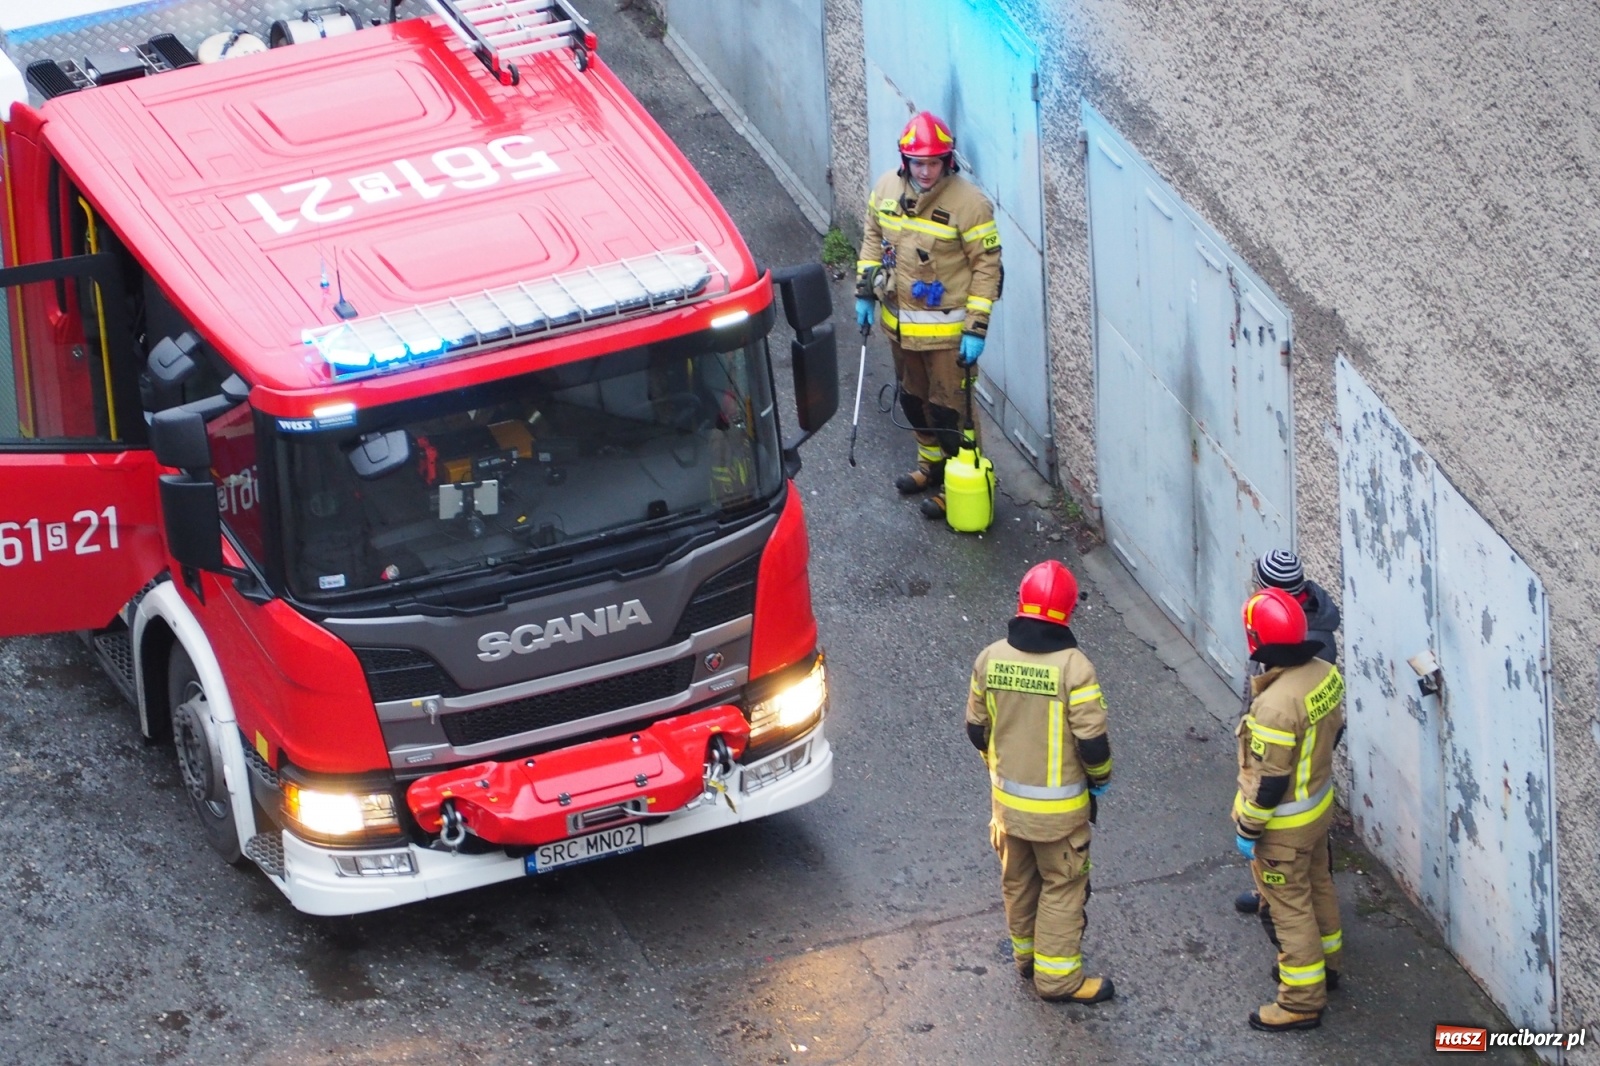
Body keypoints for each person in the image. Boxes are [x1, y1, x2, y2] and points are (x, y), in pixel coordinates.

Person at [965, 560, 1115, 1004]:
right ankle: (1058, 980)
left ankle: (1028, 960)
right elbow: (1093, 745)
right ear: (1068, 612)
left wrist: (1000, 768)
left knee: (1019, 883)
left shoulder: (990, 658)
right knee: (1063, 889)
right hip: (1060, 819)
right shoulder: (1074, 667)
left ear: (1021, 603)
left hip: (1007, 809)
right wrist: (1100, 781)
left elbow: (976, 730)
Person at [856, 111, 1002, 520]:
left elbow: (987, 269)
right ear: (906, 161)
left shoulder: (970, 205)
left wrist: (976, 328)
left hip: (947, 338)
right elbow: (872, 240)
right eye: (918, 162)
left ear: (947, 161)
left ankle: (962, 486)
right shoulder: (886, 188)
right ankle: (931, 468)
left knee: (950, 413)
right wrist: (864, 293)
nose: (925, 170)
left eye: (933, 162)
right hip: (899, 328)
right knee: (913, 402)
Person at [1233, 587, 1346, 1032]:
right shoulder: (1323, 672)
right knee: (1319, 885)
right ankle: (1328, 967)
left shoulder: (1275, 705)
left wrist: (1248, 826)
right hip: (1316, 810)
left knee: (1288, 907)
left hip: (1283, 827)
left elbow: (1270, 781)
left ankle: (1301, 1001)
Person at [1235, 548, 1342, 915]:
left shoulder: (1309, 644)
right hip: (1285, 752)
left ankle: (1275, 895)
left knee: (1295, 869)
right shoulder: (1298, 623)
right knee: (1305, 863)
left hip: (1292, 770)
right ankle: (1271, 889)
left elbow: (1305, 717)